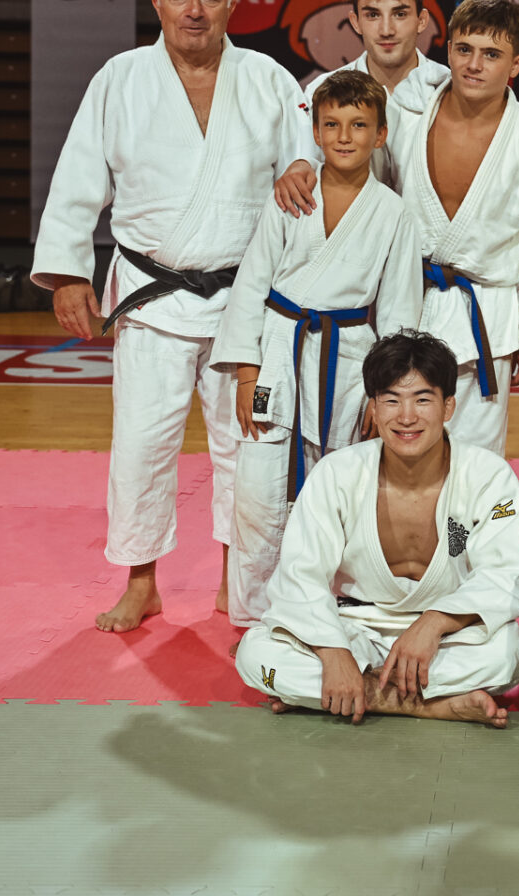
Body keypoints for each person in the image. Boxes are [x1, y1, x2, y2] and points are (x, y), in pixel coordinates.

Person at [32, 0, 319, 633]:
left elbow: (308, 157)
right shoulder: (121, 78)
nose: (195, 11)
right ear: (157, 4)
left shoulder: (268, 79)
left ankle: (235, 580)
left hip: (244, 302)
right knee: (141, 446)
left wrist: (301, 167)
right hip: (150, 296)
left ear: (232, 6)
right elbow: (78, 179)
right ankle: (142, 584)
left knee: (247, 450)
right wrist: (67, 272)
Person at [213, 69, 426, 626]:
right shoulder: (291, 199)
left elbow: (400, 312)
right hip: (279, 354)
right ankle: (256, 620)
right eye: (331, 125)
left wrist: (386, 396)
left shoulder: (394, 213)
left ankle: (326, 616)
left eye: (359, 125)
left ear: (380, 135)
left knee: (340, 491)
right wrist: (246, 374)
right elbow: (252, 285)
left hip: (350, 362)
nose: (344, 136)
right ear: (315, 131)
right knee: (258, 489)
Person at [233, 330, 519, 727]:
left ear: (449, 405)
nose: (406, 417)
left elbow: (503, 576)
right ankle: (429, 704)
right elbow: (300, 574)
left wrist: (433, 623)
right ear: (373, 406)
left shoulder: (488, 476)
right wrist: (334, 652)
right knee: (256, 654)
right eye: (391, 400)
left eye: (422, 399)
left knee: (511, 654)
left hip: (445, 633)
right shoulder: (337, 473)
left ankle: (343, 693)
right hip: (355, 626)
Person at [382, 0, 519, 455]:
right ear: (448, 50)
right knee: (399, 453)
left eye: (491, 54)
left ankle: (467, 515)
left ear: (516, 64)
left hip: (487, 316)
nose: (474, 64)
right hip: (406, 303)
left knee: (475, 462)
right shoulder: (408, 115)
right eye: (464, 49)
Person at [301, 0, 451, 105]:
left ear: (422, 20)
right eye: (373, 15)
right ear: (355, 22)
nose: (386, 31)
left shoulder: (450, 88)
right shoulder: (320, 94)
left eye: (400, 14)